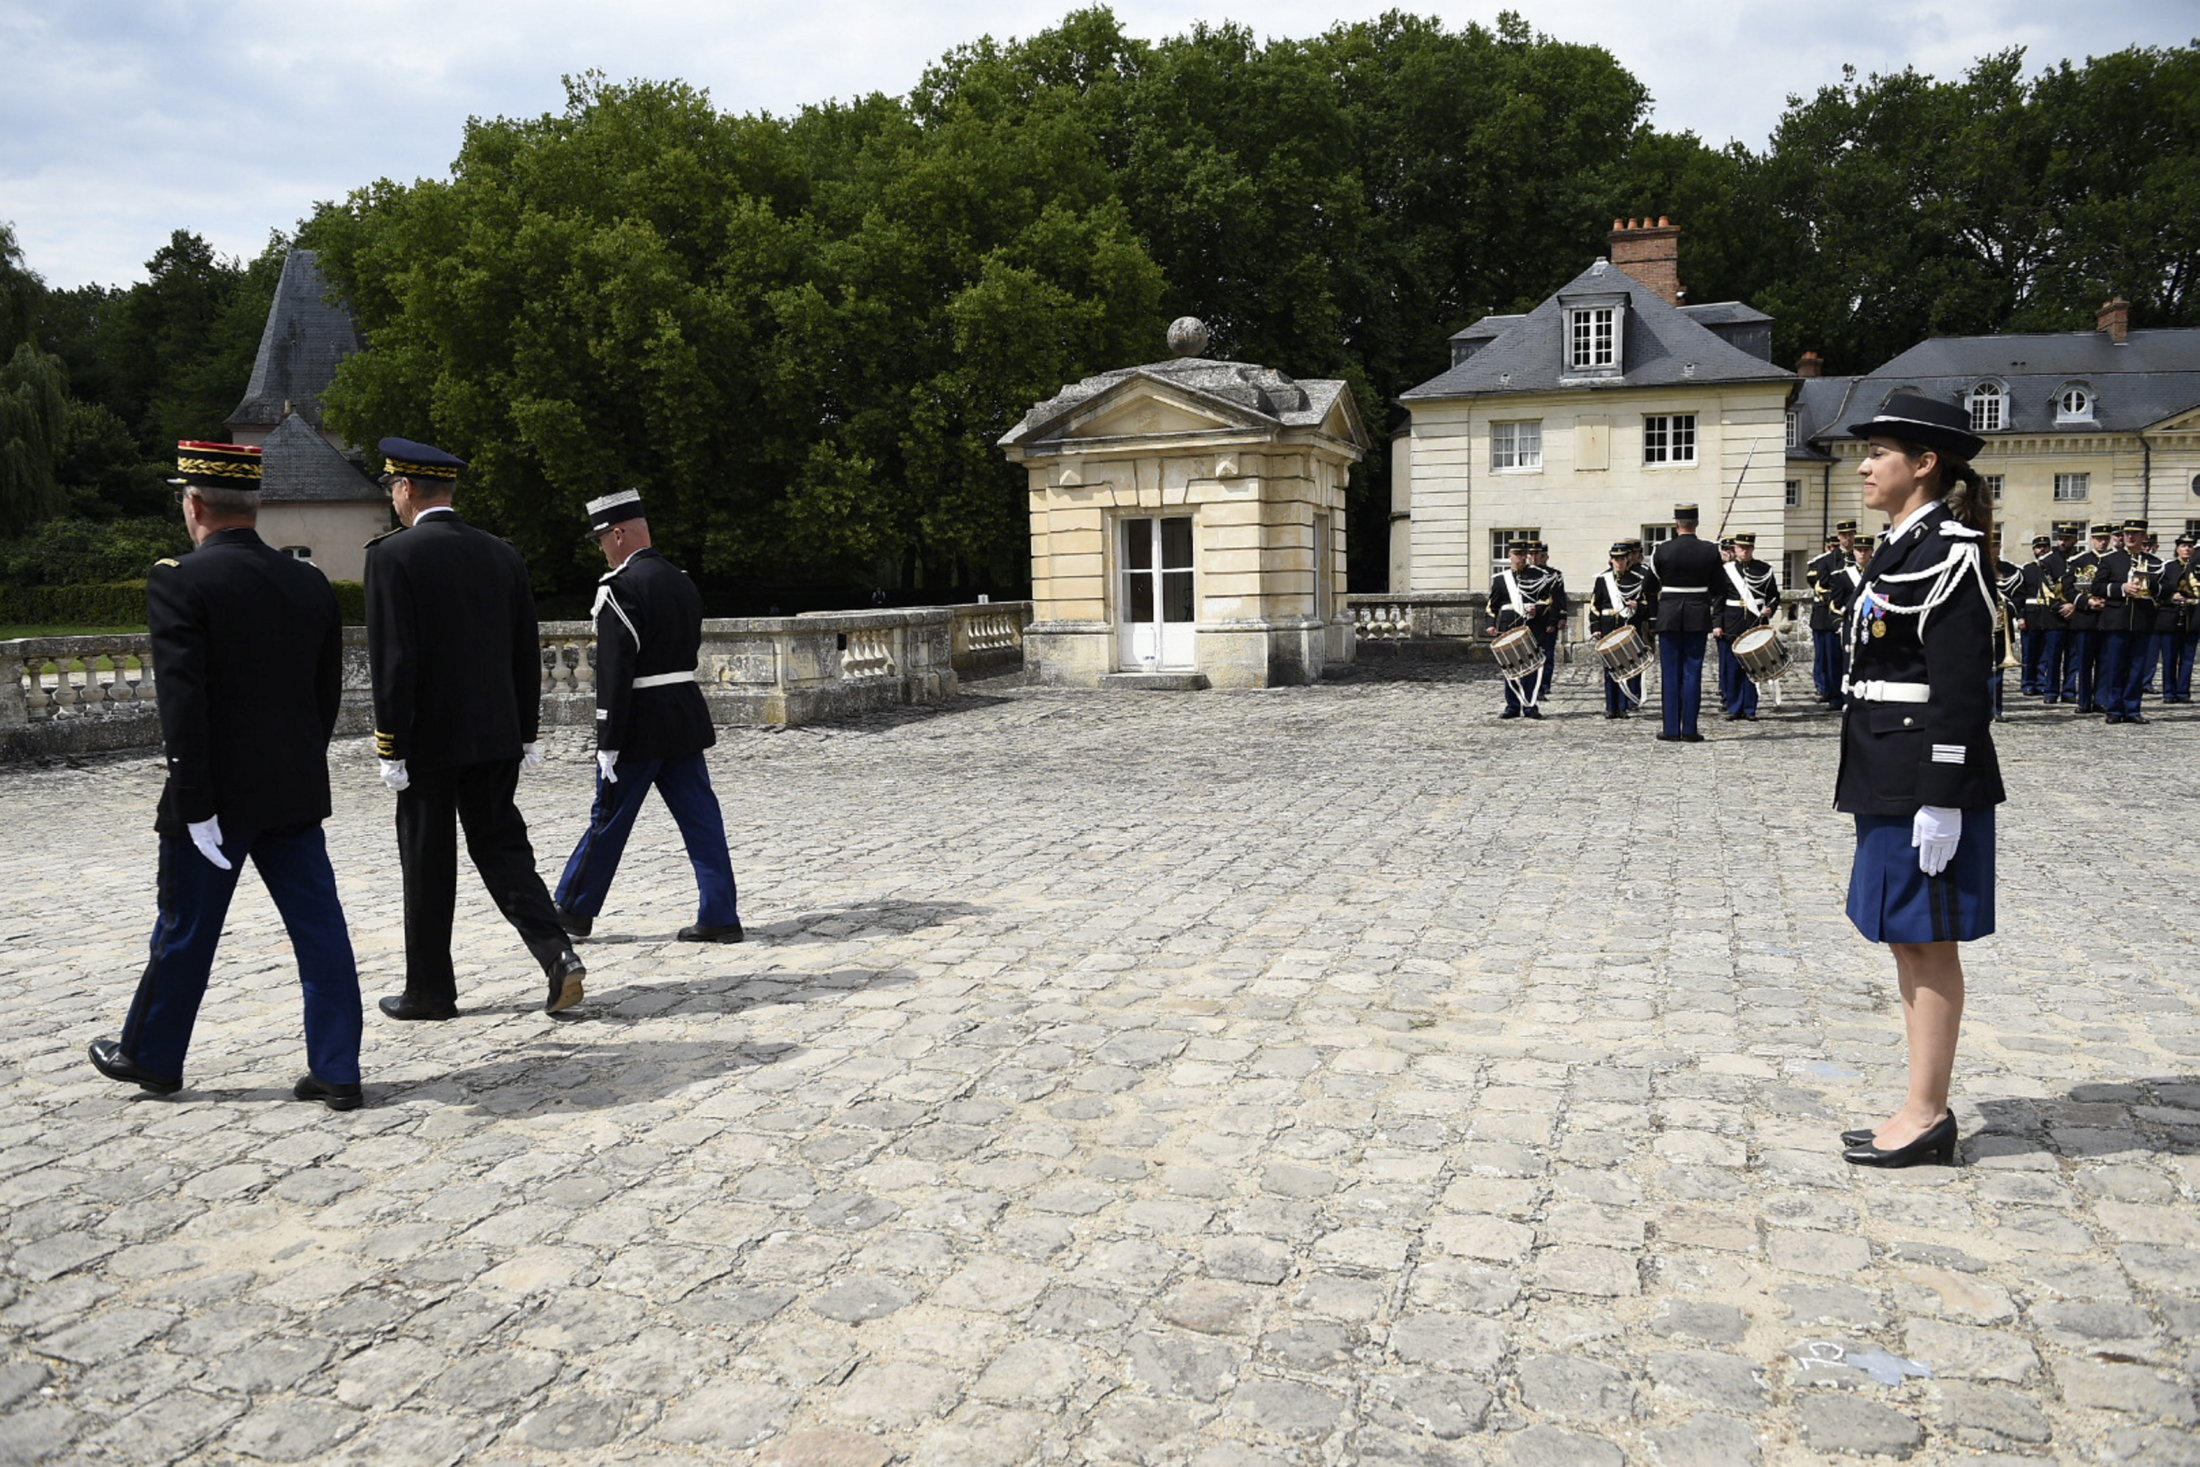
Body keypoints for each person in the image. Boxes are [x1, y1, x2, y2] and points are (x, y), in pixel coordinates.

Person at [88, 442, 364, 1109]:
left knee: (184, 927)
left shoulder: (179, 579)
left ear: (195, 503)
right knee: (320, 930)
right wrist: (298, 760)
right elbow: (325, 694)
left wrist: (192, 798)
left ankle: (152, 1054)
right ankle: (338, 1067)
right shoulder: (309, 583)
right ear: (256, 504)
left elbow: (183, 704)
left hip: (214, 795)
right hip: (293, 789)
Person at [1834, 394, 2005, 1168]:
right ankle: (1916, 1100)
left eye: (1878, 452)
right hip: (1884, 763)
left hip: (1922, 774)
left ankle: (1929, 1112)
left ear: (1925, 464)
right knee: (1905, 938)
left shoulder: (1951, 549)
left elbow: (1963, 687)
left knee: (1926, 941)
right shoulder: (1902, 543)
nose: (1864, 465)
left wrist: (1943, 794)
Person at [365, 437, 587, 1019]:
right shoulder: (501, 553)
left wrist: (391, 744)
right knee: (504, 848)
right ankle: (557, 954)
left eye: (392, 488)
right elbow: (524, 649)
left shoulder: (392, 556)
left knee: (427, 860)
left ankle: (430, 990)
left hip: (428, 742)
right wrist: (527, 730)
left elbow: (393, 660)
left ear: (407, 490)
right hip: (496, 734)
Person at [554, 489, 744, 942]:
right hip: (683, 714)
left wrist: (607, 737)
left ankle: (574, 908)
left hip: (639, 722)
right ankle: (720, 914)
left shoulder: (619, 588)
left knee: (609, 817)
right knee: (702, 819)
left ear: (618, 533)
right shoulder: (680, 580)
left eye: (602, 538)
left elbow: (615, 672)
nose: (602, 547)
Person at [1648, 505, 1722, 742]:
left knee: (1670, 674)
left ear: (1677, 524)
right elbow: (1720, 588)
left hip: (1669, 614)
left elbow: (1648, 587)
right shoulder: (1710, 550)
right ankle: (1689, 729)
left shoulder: (1662, 550)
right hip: (1697, 615)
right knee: (1693, 672)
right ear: (1696, 523)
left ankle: (1671, 729)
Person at [2087, 517, 2161, 725]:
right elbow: (2097, 587)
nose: (2129, 537)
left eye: (2135, 534)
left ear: (2143, 537)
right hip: (2117, 620)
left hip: (2141, 620)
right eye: (2127, 533)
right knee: (2115, 666)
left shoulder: (2154, 562)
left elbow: (2167, 588)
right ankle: (2114, 708)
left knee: (2137, 667)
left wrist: (2152, 588)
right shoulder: (2111, 560)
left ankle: (2132, 708)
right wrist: (2122, 589)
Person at [1485, 539, 1559, 719]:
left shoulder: (1538, 576)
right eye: (1517, 555)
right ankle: (1512, 705)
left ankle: (1530, 705)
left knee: (1530, 668)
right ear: (1510, 556)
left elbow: (1548, 600)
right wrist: (1490, 624)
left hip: (1531, 627)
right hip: (1508, 627)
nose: (1521, 558)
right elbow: (1491, 606)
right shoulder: (1501, 580)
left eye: (1523, 555)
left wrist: (1537, 608)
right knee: (1510, 668)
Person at [1714, 533, 1779, 721]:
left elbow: (1774, 595)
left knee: (1753, 668)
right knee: (1732, 668)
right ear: (1735, 549)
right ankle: (1734, 707)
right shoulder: (1726, 570)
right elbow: (1718, 599)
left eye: (1748, 548)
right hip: (1731, 622)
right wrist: (1717, 624)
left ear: (1753, 549)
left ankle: (1750, 708)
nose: (1744, 551)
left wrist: (1770, 608)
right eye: (1741, 548)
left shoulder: (1764, 569)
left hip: (1755, 622)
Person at [1588, 540, 1650, 718]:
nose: (1619, 562)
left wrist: (1637, 606)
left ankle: (1623, 707)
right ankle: (1611, 707)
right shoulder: (1603, 580)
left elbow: (1647, 605)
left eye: (1622, 558)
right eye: (1615, 558)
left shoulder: (1637, 579)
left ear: (1628, 559)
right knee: (1609, 669)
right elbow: (1595, 605)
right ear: (1611, 560)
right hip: (1608, 625)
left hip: (1627, 625)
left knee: (1626, 667)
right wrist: (1595, 627)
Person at [1807, 522, 1857, 705]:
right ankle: (1834, 694)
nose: (1847, 538)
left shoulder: (1859, 557)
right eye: (1844, 535)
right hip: (1833, 615)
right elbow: (1822, 587)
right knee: (1831, 658)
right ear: (1838, 537)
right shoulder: (1827, 561)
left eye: (1851, 534)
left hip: (1855, 615)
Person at [2067, 523, 2112, 713]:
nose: (2102, 542)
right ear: (2092, 539)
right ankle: (2084, 700)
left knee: (2105, 661)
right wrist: (2086, 602)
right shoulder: (2079, 560)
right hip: (2085, 617)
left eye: (2105, 539)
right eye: (2098, 539)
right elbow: (2068, 588)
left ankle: (2101, 699)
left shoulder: (2115, 560)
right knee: (2084, 662)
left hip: (2108, 617)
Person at [1986, 533, 2024, 721]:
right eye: (1990, 545)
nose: (1993, 549)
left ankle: (1996, 709)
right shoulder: (1974, 567)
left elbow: (2020, 597)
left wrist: (2006, 608)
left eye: (1996, 545)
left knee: (1998, 670)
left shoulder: (2010, 570)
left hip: (2003, 627)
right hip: (1981, 626)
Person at [1529, 541, 1568, 702]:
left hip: (1547, 620)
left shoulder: (1554, 574)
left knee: (1547, 655)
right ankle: (1531, 686)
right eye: (1530, 554)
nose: (1534, 557)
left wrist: (1560, 617)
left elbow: (1559, 598)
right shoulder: (1524, 574)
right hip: (1530, 620)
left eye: (1537, 554)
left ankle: (1544, 686)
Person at [2015, 534, 2053, 695]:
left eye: (2045, 547)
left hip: (2049, 615)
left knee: (2045, 653)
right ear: (2033, 550)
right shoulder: (2027, 569)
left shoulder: (2053, 568)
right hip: (2031, 615)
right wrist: (2020, 616)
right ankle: (2028, 683)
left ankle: (2041, 681)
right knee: (2029, 653)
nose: (2042, 550)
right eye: (2038, 547)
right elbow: (2019, 595)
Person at [2164, 535, 2198, 704]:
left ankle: (2183, 691)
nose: (2187, 549)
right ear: (2177, 548)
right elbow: (2160, 590)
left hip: (2193, 617)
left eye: (2190, 546)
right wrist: (2172, 596)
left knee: (2188, 657)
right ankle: (2169, 691)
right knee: (2170, 657)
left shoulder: (2197, 568)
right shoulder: (2169, 568)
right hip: (2171, 617)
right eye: (2184, 546)